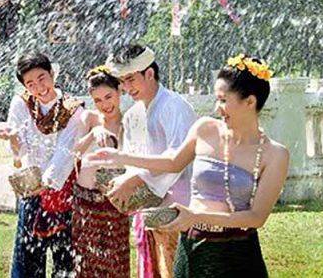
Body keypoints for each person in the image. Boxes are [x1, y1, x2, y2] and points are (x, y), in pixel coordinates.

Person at [90, 54, 289, 277]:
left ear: (250, 102)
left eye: (223, 100)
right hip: (193, 246)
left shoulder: (275, 155)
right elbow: (173, 163)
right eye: (217, 99)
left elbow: (256, 217)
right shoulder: (205, 129)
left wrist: (196, 216)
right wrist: (121, 157)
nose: (217, 108)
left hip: (239, 254)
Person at [100, 44, 197, 278]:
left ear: (150, 73)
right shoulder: (132, 115)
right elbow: (132, 160)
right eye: (122, 81)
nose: (126, 87)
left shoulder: (174, 106)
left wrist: (135, 178)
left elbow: (178, 160)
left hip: (182, 205)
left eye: (131, 79)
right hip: (148, 207)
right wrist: (124, 179)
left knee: (178, 269)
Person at [0, 51, 86, 278]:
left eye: (42, 78)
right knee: (27, 257)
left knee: (65, 259)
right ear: (25, 86)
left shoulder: (73, 109)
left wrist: (46, 183)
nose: (39, 87)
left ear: (52, 74)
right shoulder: (21, 104)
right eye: (30, 83)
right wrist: (14, 141)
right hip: (32, 189)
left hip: (63, 190)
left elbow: (66, 152)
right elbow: (20, 150)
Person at [70, 66, 130, 277]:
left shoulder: (129, 122)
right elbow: (74, 152)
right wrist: (94, 133)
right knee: (86, 262)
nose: (105, 105)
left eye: (108, 97)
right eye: (98, 100)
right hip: (86, 201)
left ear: (119, 91)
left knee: (115, 262)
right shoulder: (89, 118)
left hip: (116, 201)